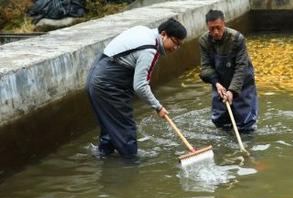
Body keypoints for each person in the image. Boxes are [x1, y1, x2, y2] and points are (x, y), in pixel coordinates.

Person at [86, 18, 187, 158]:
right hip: (107, 84)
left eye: (179, 46)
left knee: (110, 123)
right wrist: (158, 107)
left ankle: (103, 154)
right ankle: (131, 164)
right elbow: (140, 86)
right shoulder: (149, 50)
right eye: (175, 43)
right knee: (125, 128)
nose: (175, 48)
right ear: (163, 34)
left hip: (96, 76)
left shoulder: (144, 31)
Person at [199, 9, 258, 132]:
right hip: (220, 82)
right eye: (211, 29)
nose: (215, 32)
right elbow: (205, 68)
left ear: (224, 24)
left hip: (242, 83)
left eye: (218, 28)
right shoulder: (204, 41)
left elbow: (241, 67)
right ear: (207, 27)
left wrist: (232, 91)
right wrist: (216, 83)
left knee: (245, 123)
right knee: (221, 121)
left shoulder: (237, 39)